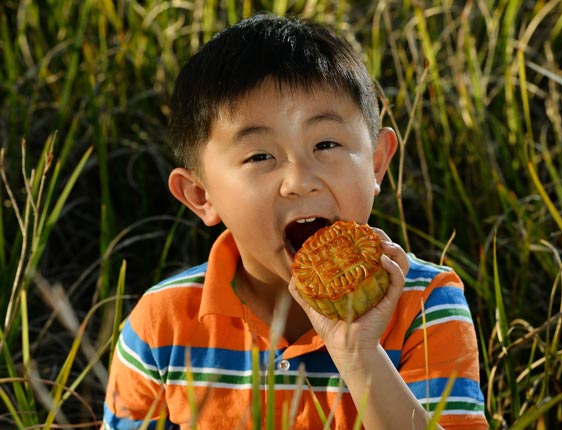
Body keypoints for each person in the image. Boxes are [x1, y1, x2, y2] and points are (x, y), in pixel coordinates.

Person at [102, 13, 488, 430]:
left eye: (325, 143)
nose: (299, 181)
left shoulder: (427, 305)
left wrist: (359, 355)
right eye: (259, 156)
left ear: (376, 164)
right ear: (202, 196)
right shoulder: (161, 326)